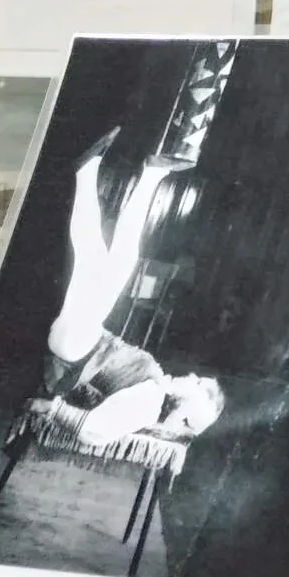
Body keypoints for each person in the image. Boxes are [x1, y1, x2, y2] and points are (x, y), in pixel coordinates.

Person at [42, 130, 225, 447]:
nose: (193, 376)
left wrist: (53, 409)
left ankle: (109, 171)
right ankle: (134, 173)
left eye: (198, 385)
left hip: (77, 351)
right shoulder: (154, 387)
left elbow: (95, 433)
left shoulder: (149, 405)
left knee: (102, 259)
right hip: (83, 340)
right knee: (114, 258)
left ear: (188, 408)